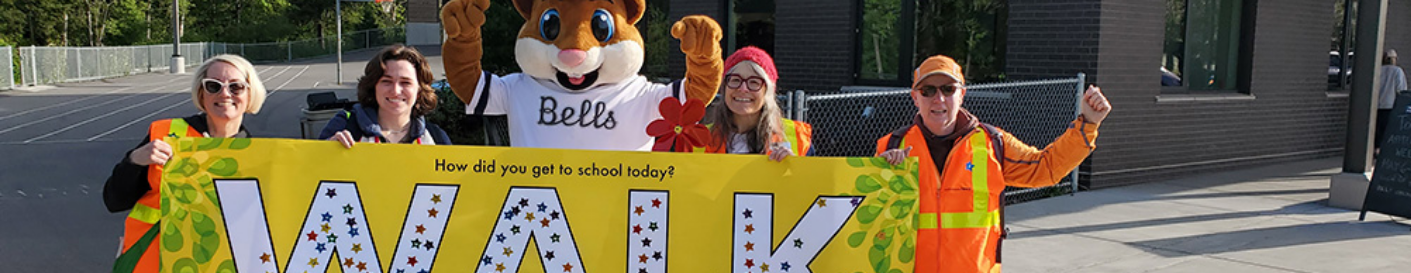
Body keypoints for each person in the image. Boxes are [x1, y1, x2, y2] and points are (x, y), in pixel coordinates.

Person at [875, 55, 1111, 273]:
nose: (939, 99)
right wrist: (878, 173)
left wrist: (1088, 123)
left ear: (962, 95)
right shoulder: (890, 146)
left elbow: (1045, 169)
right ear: (915, 97)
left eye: (948, 89)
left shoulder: (992, 144)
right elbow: (871, 218)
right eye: (928, 90)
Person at [103, 54, 268, 272]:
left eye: (236, 87)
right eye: (213, 86)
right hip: (153, 261)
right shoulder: (166, 135)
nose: (225, 94)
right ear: (202, 93)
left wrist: (326, 154)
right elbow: (114, 200)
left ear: (249, 94)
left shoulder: (258, 156)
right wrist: (135, 160)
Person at [695, 46, 813, 161]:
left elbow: (815, 180)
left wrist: (796, 168)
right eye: (735, 80)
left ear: (768, 92)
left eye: (754, 82)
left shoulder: (797, 139)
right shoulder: (698, 140)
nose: (743, 88)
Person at [320, 44, 452, 147]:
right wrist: (326, 151)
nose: (395, 91)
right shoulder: (345, 126)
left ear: (419, 91)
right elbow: (308, 171)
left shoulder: (436, 138)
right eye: (386, 81)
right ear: (373, 86)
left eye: (405, 82)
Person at [1377, 49, 1407, 149]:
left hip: (1376, 106)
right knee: (1388, 132)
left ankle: (1376, 149)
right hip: (1390, 106)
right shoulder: (1397, 71)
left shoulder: (1378, 70)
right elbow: (1401, 89)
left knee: (1377, 132)